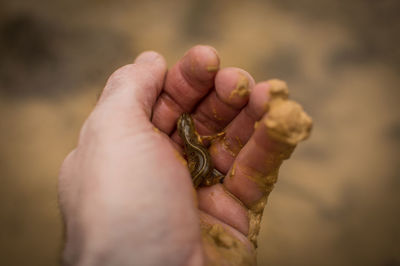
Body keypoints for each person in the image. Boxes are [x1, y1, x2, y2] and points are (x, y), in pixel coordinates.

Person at [58, 45, 310, 265]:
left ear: (186, 133)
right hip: (198, 176)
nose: (185, 124)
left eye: (184, 125)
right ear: (191, 135)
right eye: (184, 125)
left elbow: (196, 149)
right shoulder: (195, 142)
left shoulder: (194, 142)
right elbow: (197, 149)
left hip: (198, 173)